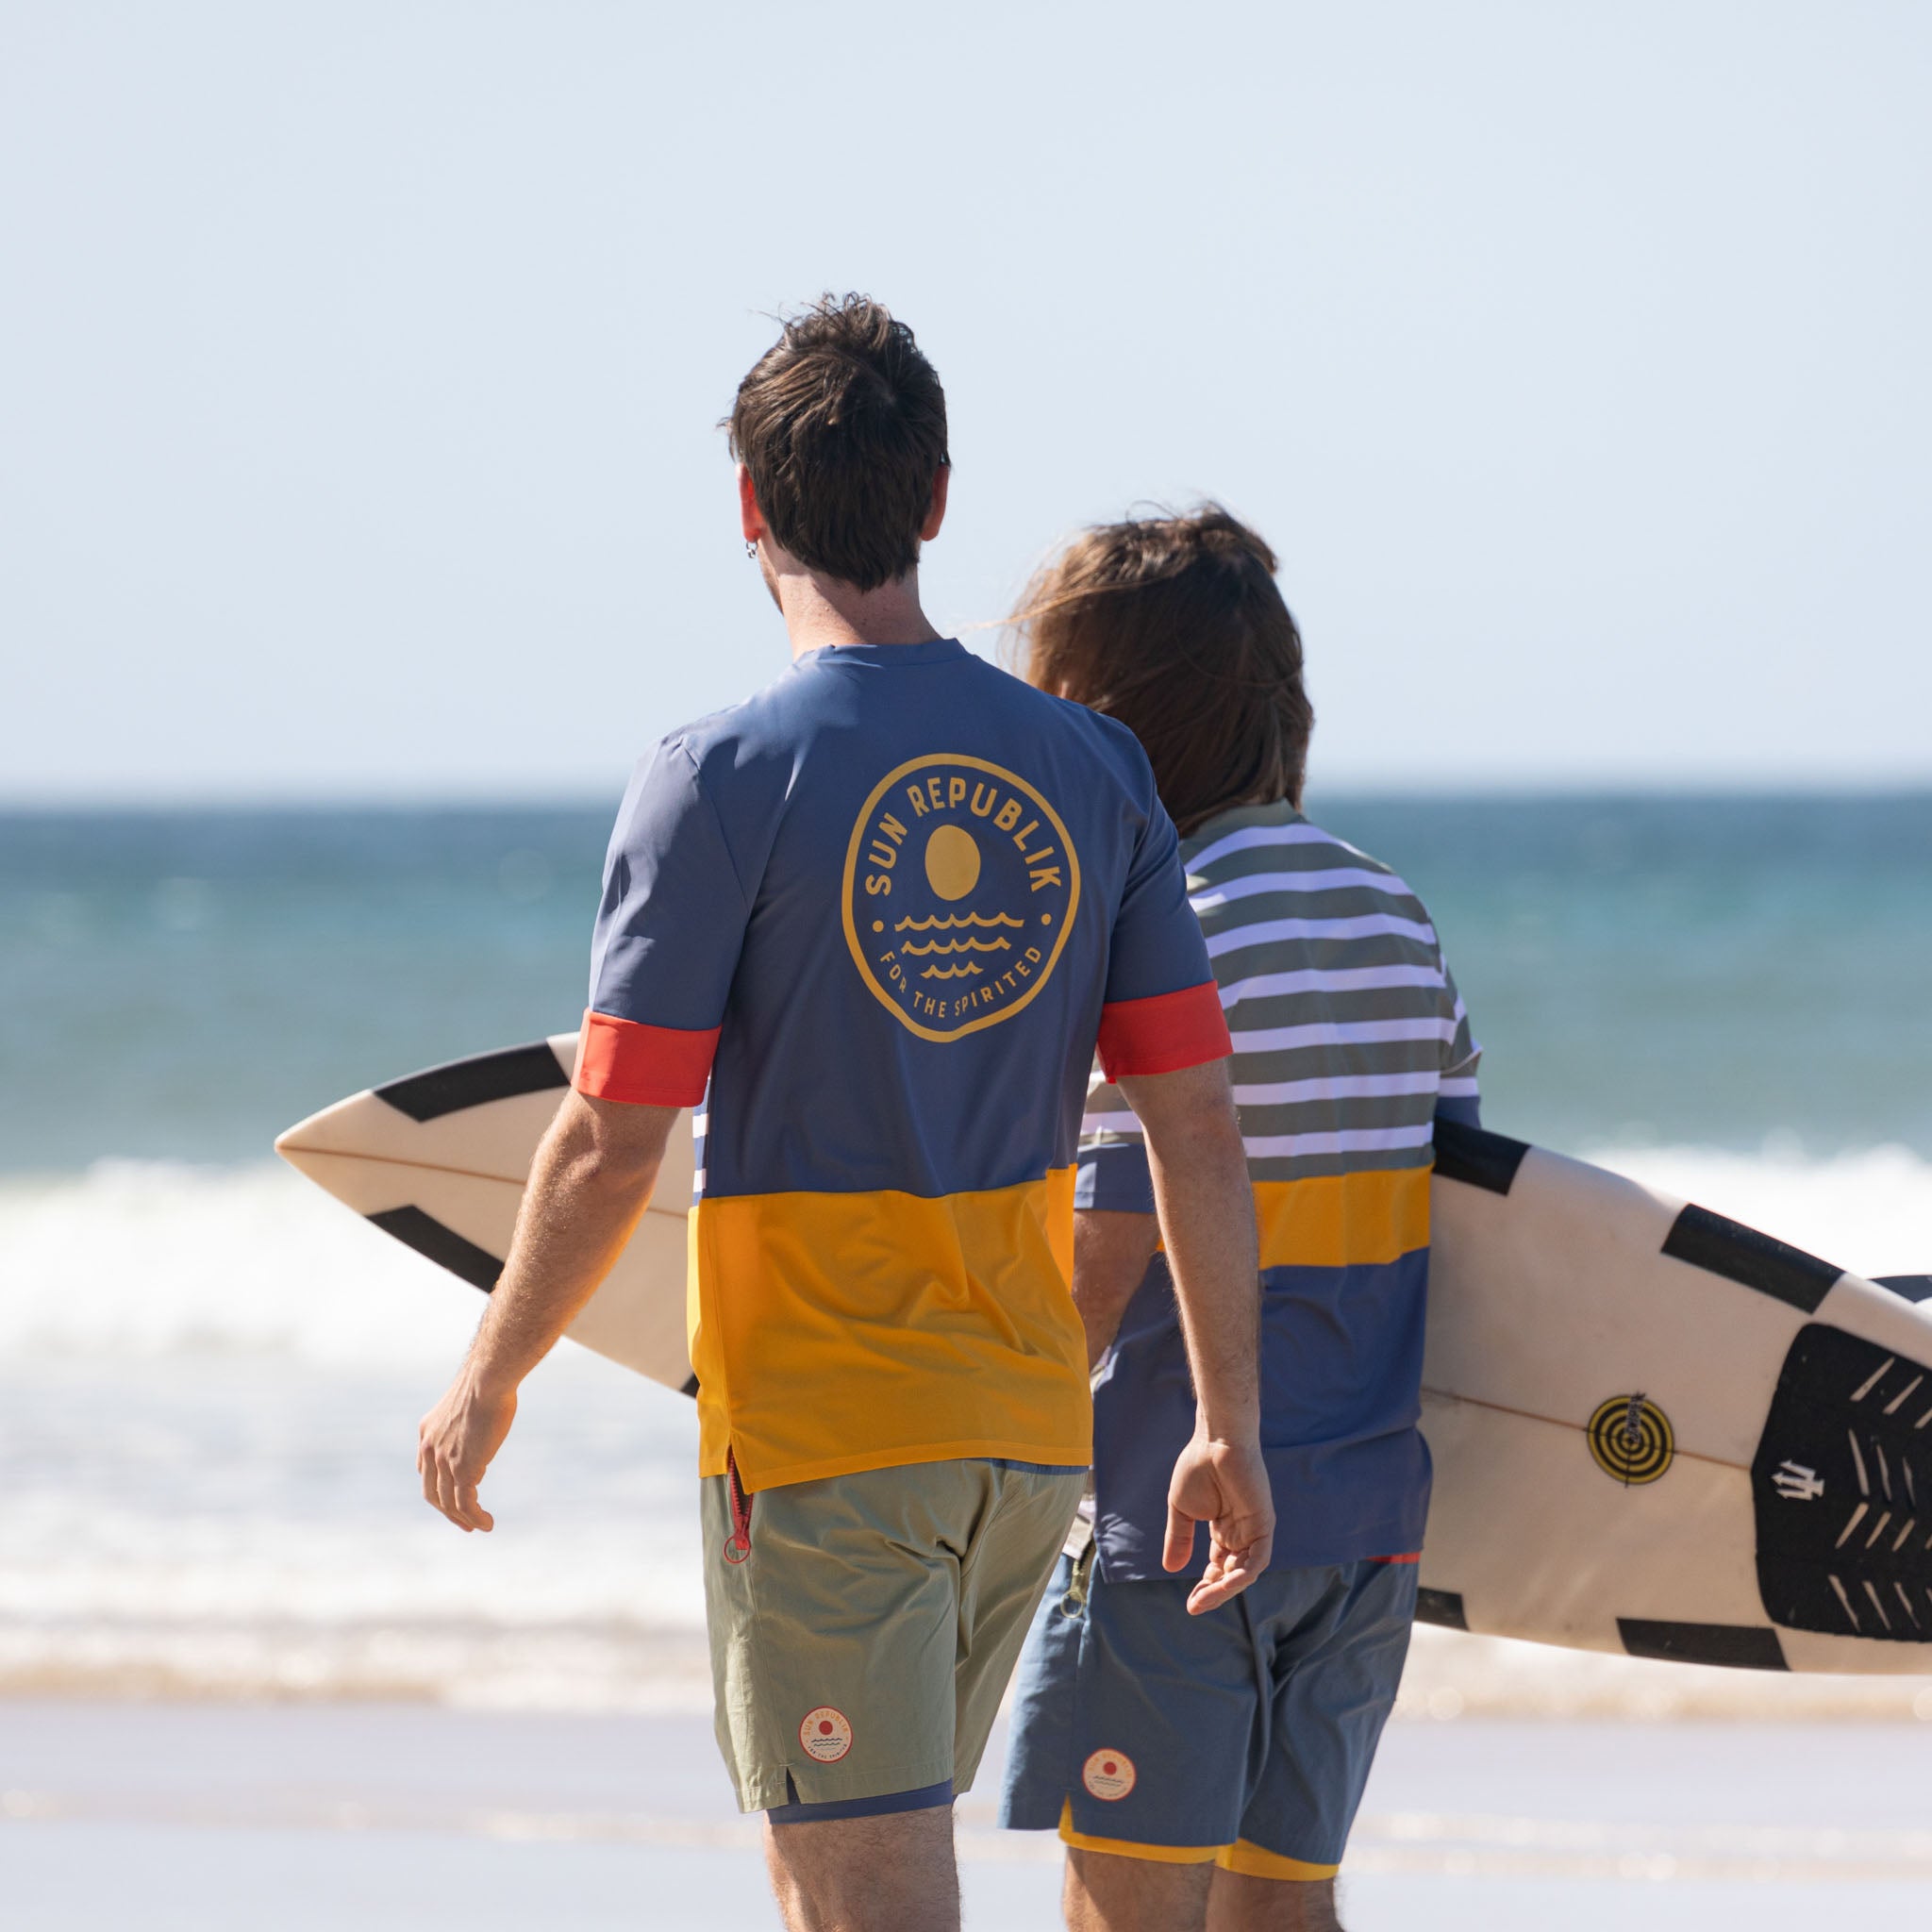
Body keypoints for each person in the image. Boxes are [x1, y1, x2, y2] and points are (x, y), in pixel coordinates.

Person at [413, 301, 1274, 1932]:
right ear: (937, 500)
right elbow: (1195, 1128)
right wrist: (1227, 1423)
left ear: (747, 503)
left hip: (826, 1442)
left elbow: (613, 1134)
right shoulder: (1095, 770)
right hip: (1026, 1440)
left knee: (863, 1902)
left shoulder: (716, 773)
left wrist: (489, 1372)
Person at [998, 508, 1482, 1932]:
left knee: (1129, 1912)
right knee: (1283, 1912)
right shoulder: (1394, 914)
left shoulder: (1159, 942)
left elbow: (1099, 1266)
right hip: (1363, 1530)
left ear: (1112, 729)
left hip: (1182, 1520)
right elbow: (1467, 1200)